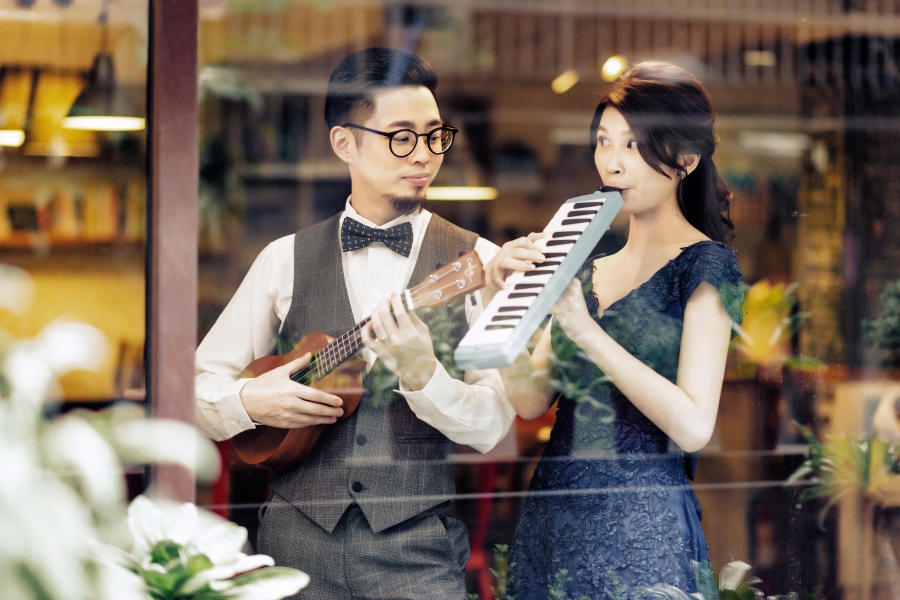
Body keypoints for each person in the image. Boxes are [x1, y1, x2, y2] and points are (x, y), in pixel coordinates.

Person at [194, 47, 516, 599]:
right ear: (344, 142)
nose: (425, 156)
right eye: (401, 137)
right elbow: (196, 389)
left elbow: (494, 425)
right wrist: (251, 403)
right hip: (291, 551)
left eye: (436, 135)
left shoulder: (478, 261)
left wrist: (425, 377)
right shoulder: (283, 258)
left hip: (418, 556)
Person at [483, 61, 744, 598]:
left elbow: (695, 425)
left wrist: (589, 334)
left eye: (633, 146)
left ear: (687, 159)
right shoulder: (586, 264)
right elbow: (531, 401)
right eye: (605, 143)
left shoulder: (707, 267)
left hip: (642, 532)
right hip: (553, 520)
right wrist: (496, 298)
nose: (613, 163)